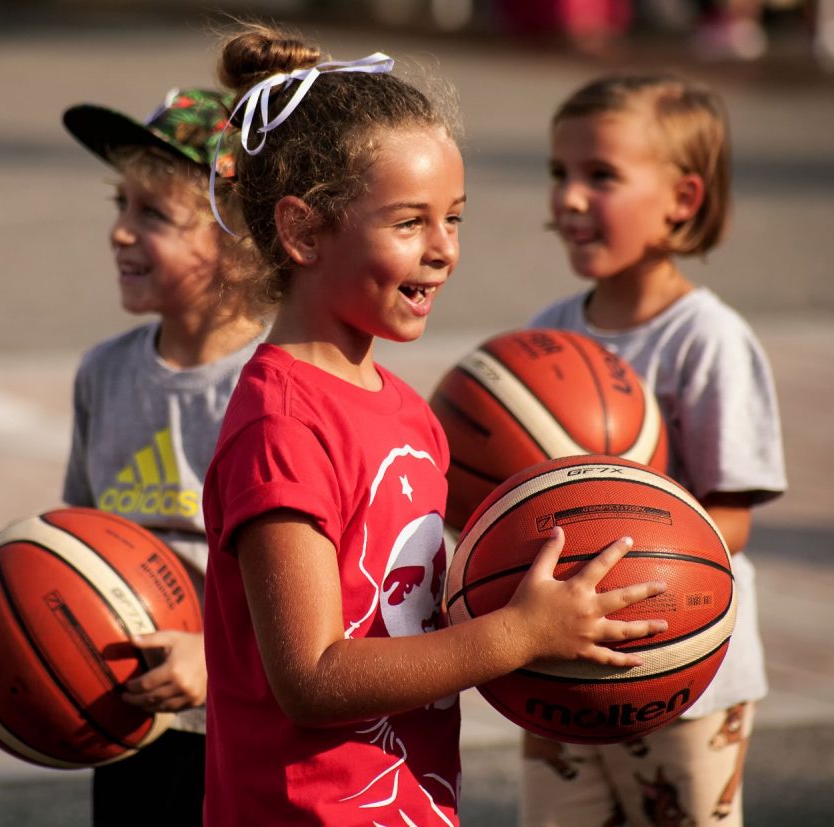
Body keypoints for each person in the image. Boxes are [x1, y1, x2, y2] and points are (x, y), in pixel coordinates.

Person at [199, 23, 672, 826]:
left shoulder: (409, 410)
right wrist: (514, 636)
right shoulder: (280, 427)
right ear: (304, 230)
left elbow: (411, 620)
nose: (444, 250)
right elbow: (312, 675)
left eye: (455, 218)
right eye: (410, 222)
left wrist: (543, 602)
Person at [520, 73, 788, 826]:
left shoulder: (707, 341)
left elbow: (730, 518)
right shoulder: (546, 335)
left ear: (682, 199)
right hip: (563, 665)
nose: (569, 198)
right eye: (558, 173)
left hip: (688, 670)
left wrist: (623, 548)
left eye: (599, 176)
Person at [59, 87, 268, 826]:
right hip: (130, 714)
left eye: (152, 215)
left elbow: (329, 585)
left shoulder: (273, 387)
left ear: (238, 240)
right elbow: (77, 541)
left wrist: (217, 658)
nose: (120, 232)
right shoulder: (104, 372)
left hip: (247, 722)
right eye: (120, 204)